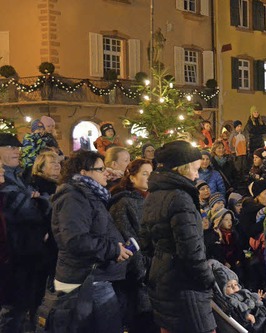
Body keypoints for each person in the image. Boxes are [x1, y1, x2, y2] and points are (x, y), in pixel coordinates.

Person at [140, 140, 217, 333]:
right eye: (195, 169)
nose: (197, 175)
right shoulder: (180, 198)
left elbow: (146, 241)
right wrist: (208, 279)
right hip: (185, 287)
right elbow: (190, 250)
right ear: (182, 168)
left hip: (162, 278)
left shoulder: (155, 194)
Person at [50, 150, 131, 333]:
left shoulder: (88, 193)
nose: (106, 172)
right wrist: (113, 249)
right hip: (86, 278)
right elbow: (76, 239)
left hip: (94, 276)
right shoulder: (73, 196)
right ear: (84, 172)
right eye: (100, 169)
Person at [0, 134, 51, 332]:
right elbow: (26, 210)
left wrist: (37, 200)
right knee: (13, 311)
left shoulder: (18, 176)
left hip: (27, 253)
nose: (16, 151)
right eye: (9, 146)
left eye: (17, 147)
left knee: (26, 307)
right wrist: (36, 201)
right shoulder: (4, 180)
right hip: (12, 258)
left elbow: (35, 205)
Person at [108, 158, 157, 332]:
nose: (149, 178)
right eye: (144, 174)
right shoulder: (124, 203)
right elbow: (129, 240)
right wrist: (142, 272)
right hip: (138, 280)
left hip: (154, 274)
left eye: (151, 174)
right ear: (131, 177)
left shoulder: (150, 199)